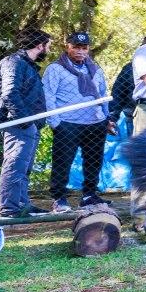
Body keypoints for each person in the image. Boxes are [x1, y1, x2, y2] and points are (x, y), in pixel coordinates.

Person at [0, 29, 52, 217]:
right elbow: (10, 93)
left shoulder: (28, 65)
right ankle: (10, 209)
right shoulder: (13, 62)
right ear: (39, 45)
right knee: (15, 163)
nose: (49, 50)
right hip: (17, 122)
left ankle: (22, 204)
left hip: (28, 123)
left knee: (24, 166)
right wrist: (25, 121)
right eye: (48, 46)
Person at [42, 31, 114, 212]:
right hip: (67, 123)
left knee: (93, 160)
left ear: (88, 49)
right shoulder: (55, 68)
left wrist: (107, 119)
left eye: (84, 48)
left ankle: (89, 195)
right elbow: (48, 96)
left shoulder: (95, 69)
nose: (80, 51)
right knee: (62, 162)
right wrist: (55, 122)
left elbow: (103, 95)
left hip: (95, 122)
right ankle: (59, 198)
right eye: (76, 47)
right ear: (68, 46)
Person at [109, 35, 146, 134]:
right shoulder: (130, 68)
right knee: (138, 147)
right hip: (135, 114)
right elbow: (118, 93)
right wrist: (112, 117)